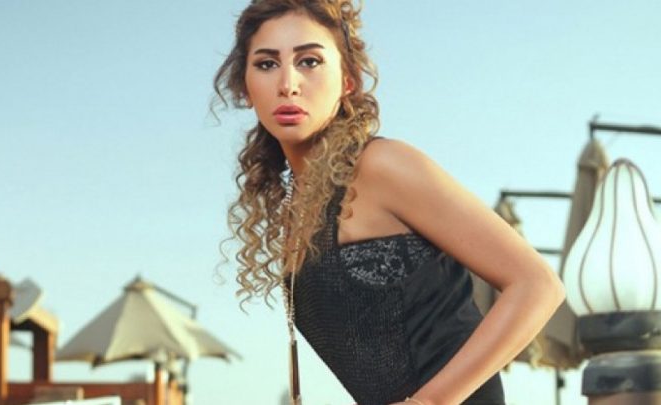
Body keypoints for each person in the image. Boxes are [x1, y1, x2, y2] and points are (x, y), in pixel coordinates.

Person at [213, 1, 565, 404]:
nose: (288, 84)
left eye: (309, 61)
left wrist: (429, 402)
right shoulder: (298, 203)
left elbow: (538, 284)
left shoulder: (380, 165)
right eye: (266, 64)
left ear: (348, 80)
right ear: (245, 88)